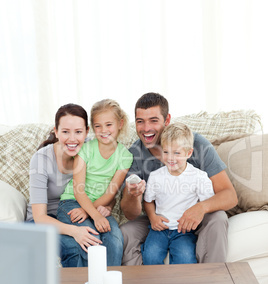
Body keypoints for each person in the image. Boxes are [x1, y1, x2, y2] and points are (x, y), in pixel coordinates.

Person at [120, 92, 238, 265]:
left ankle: (213, 282)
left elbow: (230, 195)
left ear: (167, 120)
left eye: (153, 120)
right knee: (125, 232)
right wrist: (133, 195)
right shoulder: (134, 154)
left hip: (193, 215)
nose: (146, 128)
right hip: (160, 217)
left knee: (218, 218)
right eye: (140, 121)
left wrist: (201, 208)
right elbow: (131, 214)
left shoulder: (195, 144)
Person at [57, 99, 133, 267]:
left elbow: (111, 192)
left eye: (108, 125)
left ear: (120, 124)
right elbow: (78, 190)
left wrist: (92, 212)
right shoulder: (85, 149)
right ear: (92, 127)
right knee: (91, 238)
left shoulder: (125, 156)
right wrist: (93, 214)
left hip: (98, 206)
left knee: (114, 240)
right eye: (98, 126)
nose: (103, 130)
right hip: (72, 203)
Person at [26, 103, 103, 265]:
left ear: (87, 132)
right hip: (43, 221)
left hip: (72, 215)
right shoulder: (41, 160)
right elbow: (39, 217)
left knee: (97, 243)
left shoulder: (91, 152)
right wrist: (75, 232)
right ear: (56, 131)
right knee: (74, 248)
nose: (72, 139)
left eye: (78, 132)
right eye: (65, 132)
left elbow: (105, 185)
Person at [142, 122, 215, 265]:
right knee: (150, 256)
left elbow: (208, 202)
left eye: (177, 153)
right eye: (166, 152)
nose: (170, 158)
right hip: (160, 229)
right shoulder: (156, 176)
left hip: (184, 231)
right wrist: (152, 217)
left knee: (186, 259)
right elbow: (148, 200)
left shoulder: (198, 177)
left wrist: (196, 217)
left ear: (188, 153)